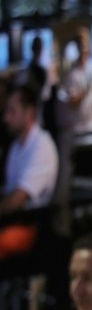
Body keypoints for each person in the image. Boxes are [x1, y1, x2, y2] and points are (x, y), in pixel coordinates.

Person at [0, 83, 58, 258]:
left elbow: (18, 199)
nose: (6, 118)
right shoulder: (17, 146)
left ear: (29, 112)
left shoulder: (41, 146)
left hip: (30, 225)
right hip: (12, 220)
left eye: (12, 111)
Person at [65, 27, 92, 136]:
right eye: (80, 44)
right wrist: (84, 91)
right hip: (77, 126)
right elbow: (72, 101)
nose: (83, 47)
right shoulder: (72, 71)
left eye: (85, 43)